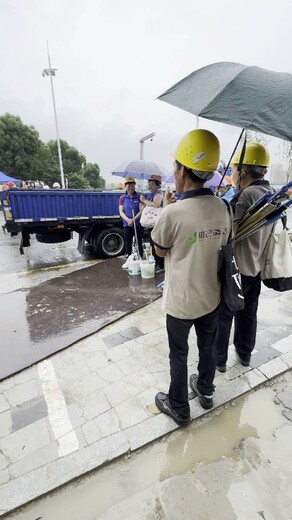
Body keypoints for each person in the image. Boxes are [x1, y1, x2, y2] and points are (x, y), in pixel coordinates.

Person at [151, 129, 231, 426]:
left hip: (181, 302)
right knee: (207, 347)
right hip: (211, 297)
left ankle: (179, 407)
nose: (174, 171)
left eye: (175, 166)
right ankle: (206, 390)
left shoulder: (172, 213)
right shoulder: (223, 207)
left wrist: (169, 207)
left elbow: (160, 251)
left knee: (179, 355)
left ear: (184, 170)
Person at [216, 142, 273, 373]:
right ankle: (245, 353)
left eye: (233, 170)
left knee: (225, 314)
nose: (231, 174)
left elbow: (229, 230)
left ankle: (219, 359)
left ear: (244, 171)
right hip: (256, 266)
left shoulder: (247, 194)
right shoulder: (269, 193)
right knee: (249, 313)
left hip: (237, 269)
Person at [140, 174, 164, 273]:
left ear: (158, 185)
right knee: (152, 246)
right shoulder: (152, 195)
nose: (149, 186)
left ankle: (161, 265)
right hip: (152, 226)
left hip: (156, 226)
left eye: (152, 184)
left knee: (156, 246)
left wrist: (144, 200)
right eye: (149, 184)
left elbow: (156, 204)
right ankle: (157, 264)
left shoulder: (158, 194)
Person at [119, 176, 144, 263]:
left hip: (137, 224)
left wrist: (133, 219)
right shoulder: (122, 198)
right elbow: (121, 212)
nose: (130, 188)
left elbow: (141, 210)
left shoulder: (139, 197)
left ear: (135, 186)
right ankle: (129, 260)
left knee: (139, 242)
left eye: (132, 185)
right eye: (128, 186)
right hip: (127, 224)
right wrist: (128, 220)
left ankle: (140, 258)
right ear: (125, 186)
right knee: (128, 243)